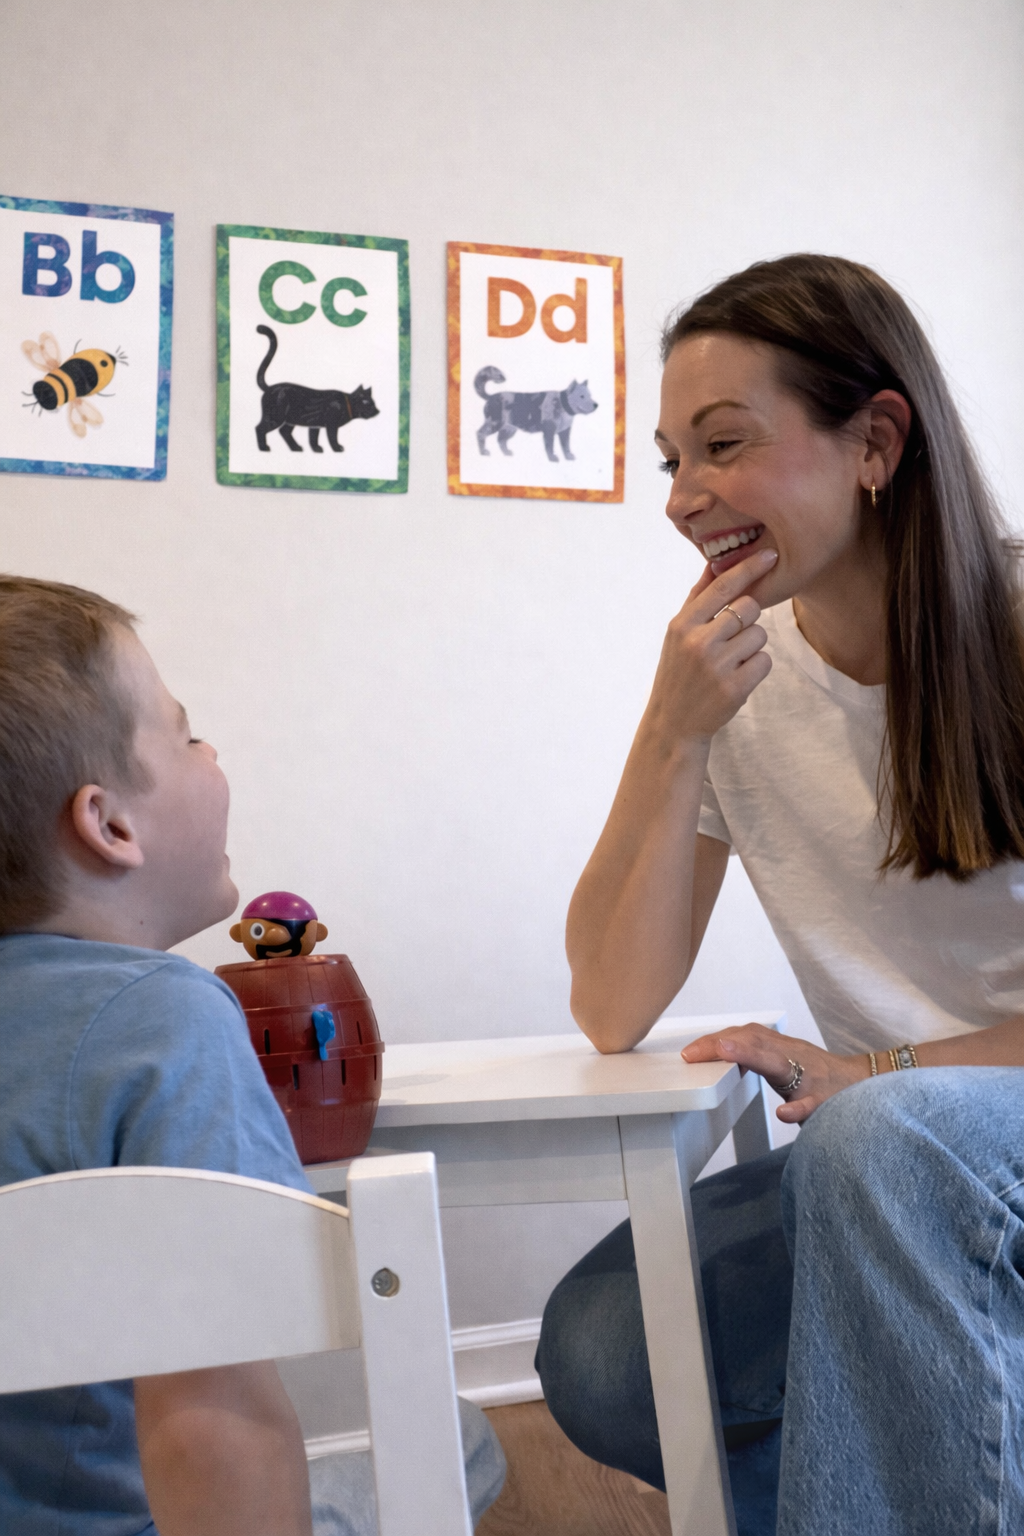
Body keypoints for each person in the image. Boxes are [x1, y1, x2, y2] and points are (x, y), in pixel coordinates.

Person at [535, 255, 1024, 1535]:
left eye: (723, 446)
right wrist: (670, 730)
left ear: (873, 441)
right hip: (892, 1160)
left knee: (877, 1140)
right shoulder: (741, 684)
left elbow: (885, 1105)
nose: (683, 498)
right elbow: (609, 999)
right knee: (601, 1348)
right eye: (669, 460)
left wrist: (870, 1078)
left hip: (917, 1136)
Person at [0, 576, 505, 1536]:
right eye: (186, 734)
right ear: (109, 825)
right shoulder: (165, 1016)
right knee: (463, 1437)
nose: (213, 751)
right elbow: (208, 1420)